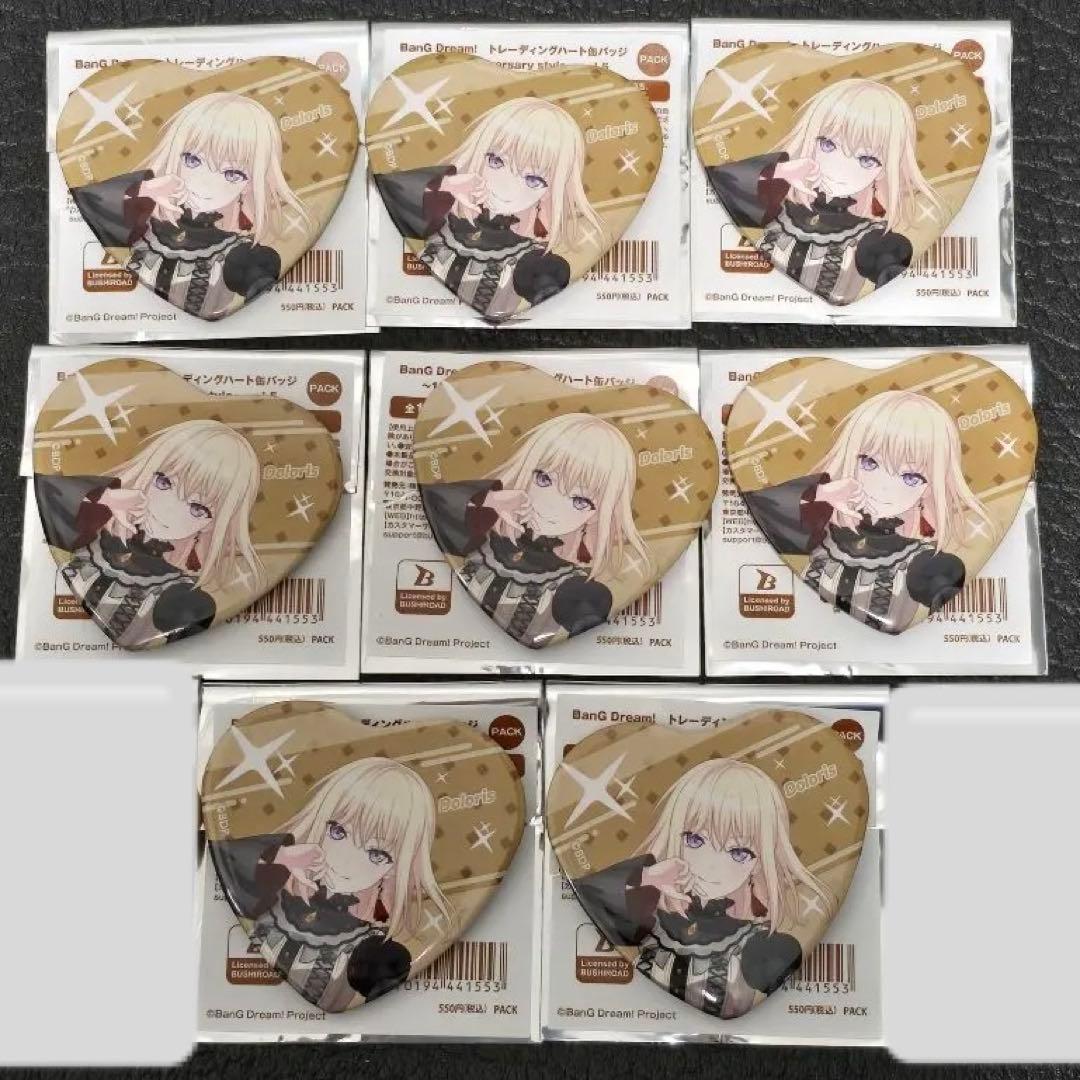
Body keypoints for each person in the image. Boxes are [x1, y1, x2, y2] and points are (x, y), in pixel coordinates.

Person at [575, 758, 833, 1019]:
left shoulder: (763, 947)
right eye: (695, 840)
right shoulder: (650, 917)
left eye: (738, 853)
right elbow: (586, 897)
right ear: (675, 834)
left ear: (758, 863)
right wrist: (647, 876)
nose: (710, 866)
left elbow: (789, 1014)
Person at [210, 757, 454, 1012]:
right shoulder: (274, 888)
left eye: (376, 854)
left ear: (394, 868)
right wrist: (281, 855)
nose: (344, 860)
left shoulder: (373, 952)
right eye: (338, 832)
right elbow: (224, 857)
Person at [741, 389, 993, 633]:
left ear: (929, 489)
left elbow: (951, 627)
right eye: (869, 462)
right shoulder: (824, 530)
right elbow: (753, 512)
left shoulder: (926, 564)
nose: (883, 487)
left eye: (910, 478)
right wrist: (821, 493)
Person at [420, 413, 653, 648]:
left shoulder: (576, 590)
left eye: (579, 501)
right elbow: (429, 503)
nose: (551, 504)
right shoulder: (483, 534)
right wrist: (490, 500)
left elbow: (592, 650)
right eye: (543, 479)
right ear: (527, 469)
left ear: (595, 515)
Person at [71, 92, 309, 319]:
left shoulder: (242, 256)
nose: (205, 182)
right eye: (192, 160)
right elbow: (80, 206)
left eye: (232, 174)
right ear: (175, 154)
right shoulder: (145, 222)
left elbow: (271, 310)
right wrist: (144, 189)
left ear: (249, 185)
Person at [707, 78, 943, 305]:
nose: (840, 167)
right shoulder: (780, 208)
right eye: (828, 145)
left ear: (883, 171)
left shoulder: (873, 241)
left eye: (866, 160)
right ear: (810, 140)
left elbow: (896, 293)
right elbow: (715, 185)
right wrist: (780, 170)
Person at [35, 418, 263, 648]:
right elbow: (39, 491)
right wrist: (106, 497)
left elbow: (186, 655)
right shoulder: (93, 526)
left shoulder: (182, 597)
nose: (169, 509)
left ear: (211, 524)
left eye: (197, 508)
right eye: (164, 482)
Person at [375, 97, 603, 321]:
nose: (507, 185)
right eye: (496, 161)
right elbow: (385, 190)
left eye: (533, 180)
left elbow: (554, 306)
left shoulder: (532, 262)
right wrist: (445, 184)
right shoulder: (445, 215)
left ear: (550, 192)